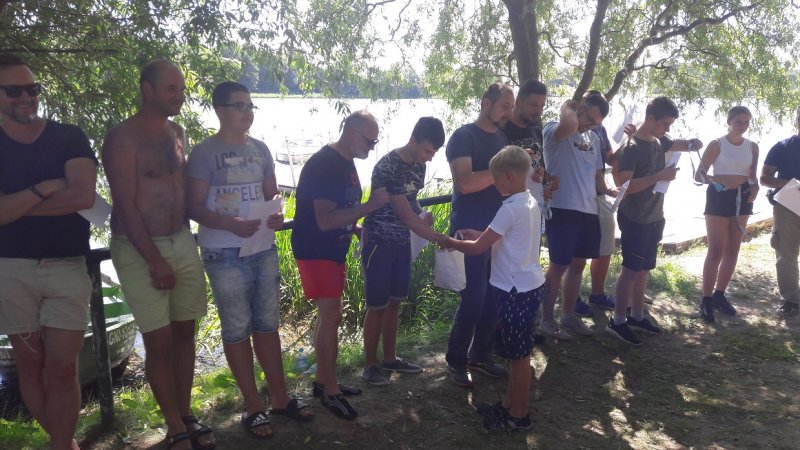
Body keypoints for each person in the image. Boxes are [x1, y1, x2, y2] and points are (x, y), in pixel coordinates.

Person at [186, 82, 314, 439]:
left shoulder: (261, 149)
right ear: (219, 110)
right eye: (239, 106)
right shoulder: (204, 153)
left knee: (268, 325)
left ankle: (280, 398)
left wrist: (277, 215)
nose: (247, 112)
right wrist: (229, 224)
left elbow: (272, 196)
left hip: (262, 247)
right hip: (223, 252)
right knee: (237, 329)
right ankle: (253, 407)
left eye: (250, 106)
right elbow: (193, 206)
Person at [102, 59, 214, 450]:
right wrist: (153, 259)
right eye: (171, 89)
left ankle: (185, 414)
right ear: (146, 89)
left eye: (181, 89)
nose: (179, 96)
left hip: (181, 239)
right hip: (139, 247)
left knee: (185, 332)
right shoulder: (122, 138)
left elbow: (182, 191)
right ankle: (174, 425)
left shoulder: (177, 132)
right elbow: (126, 204)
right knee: (159, 339)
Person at [0, 55, 97, 450]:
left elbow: (82, 196)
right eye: (14, 90)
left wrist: (14, 206)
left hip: (67, 265)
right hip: (11, 268)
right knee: (30, 364)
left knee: (61, 367)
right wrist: (45, 188)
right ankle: (65, 443)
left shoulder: (69, 136)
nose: (26, 97)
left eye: (33, 88)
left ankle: (61, 444)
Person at [291, 110, 388, 420]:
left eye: (375, 142)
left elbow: (341, 209)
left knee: (330, 315)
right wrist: (370, 206)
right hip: (316, 248)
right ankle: (330, 391)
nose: (372, 147)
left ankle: (324, 381)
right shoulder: (325, 164)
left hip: (333, 249)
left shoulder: (345, 162)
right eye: (369, 141)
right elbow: (324, 220)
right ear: (351, 132)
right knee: (331, 315)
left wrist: (354, 227)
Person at [443, 145, 546, 432]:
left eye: (496, 178)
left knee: (519, 358)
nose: (494, 183)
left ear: (509, 176)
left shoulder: (508, 208)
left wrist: (448, 241)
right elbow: (502, 237)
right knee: (517, 354)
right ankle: (510, 405)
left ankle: (519, 415)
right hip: (528, 285)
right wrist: (478, 234)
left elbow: (478, 248)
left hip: (514, 290)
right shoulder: (529, 201)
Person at [360, 117, 448, 386]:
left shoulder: (419, 165)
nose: (430, 157)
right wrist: (439, 238)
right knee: (377, 306)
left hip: (402, 242)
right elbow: (405, 215)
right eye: (428, 150)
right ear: (413, 140)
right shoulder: (389, 166)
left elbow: (411, 203)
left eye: (434, 152)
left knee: (395, 302)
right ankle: (370, 365)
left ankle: (390, 358)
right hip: (378, 242)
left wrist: (422, 213)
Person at [607, 97, 702, 345]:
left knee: (643, 269)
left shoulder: (659, 140)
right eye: (665, 124)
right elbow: (624, 186)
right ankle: (617, 320)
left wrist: (692, 144)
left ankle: (637, 315)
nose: (667, 129)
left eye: (670, 125)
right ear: (650, 119)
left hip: (654, 216)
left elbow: (676, 143)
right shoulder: (631, 147)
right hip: (635, 217)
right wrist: (660, 176)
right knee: (630, 269)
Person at [445, 82, 514, 388]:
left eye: (511, 108)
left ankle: (481, 356)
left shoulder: (502, 137)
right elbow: (465, 183)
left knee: (494, 297)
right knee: (473, 299)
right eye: (505, 107)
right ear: (487, 103)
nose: (509, 113)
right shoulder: (464, 136)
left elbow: (504, 185)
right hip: (468, 227)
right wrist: (502, 171)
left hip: (498, 227)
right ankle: (456, 360)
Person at [539, 93, 611, 339]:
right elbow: (568, 126)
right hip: (562, 208)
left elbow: (597, 176)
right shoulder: (554, 129)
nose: (590, 126)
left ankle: (568, 315)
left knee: (578, 265)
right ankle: (546, 319)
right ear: (579, 108)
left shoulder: (593, 138)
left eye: (596, 123)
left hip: (588, 210)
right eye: (589, 118)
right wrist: (567, 107)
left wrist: (610, 191)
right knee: (558, 266)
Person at [695, 106, 759, 323]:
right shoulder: (717, 144)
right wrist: (719, 180)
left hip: (743, 197)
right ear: (729, 122)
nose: (743, 126)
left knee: (733, 248)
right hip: (719, 196)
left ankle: (719, 294)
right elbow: (699, 175)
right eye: (739, 121)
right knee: (716, 249)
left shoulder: (753, 146)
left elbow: (752, 175)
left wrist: (755, 187)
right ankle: (706, 299)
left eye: (747, 122)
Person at [761, 106, 800, 317]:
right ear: (797, 120)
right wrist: (791, 184)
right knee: (786, 253)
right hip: (787, 206)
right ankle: (791, 299)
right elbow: (764, 178)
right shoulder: (782, 147)